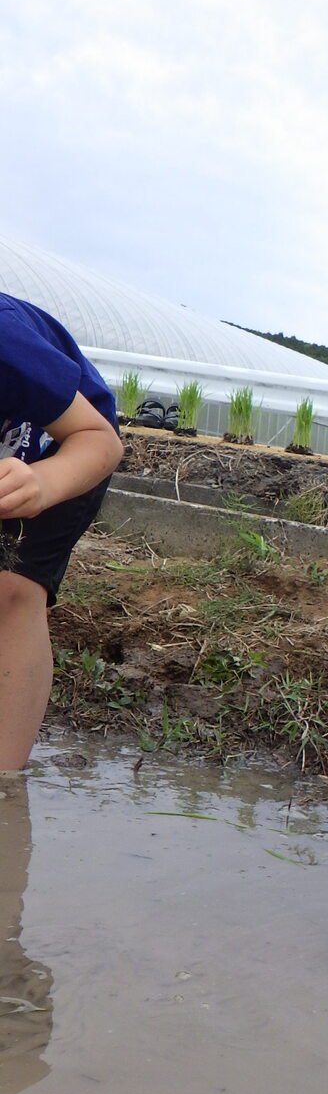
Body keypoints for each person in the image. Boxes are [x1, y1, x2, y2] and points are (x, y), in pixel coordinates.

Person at [0, 294, 124, 769]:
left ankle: (5, 783)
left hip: (62, 451)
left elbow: (99, 442)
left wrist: (42, 483)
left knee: (12, 590)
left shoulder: (6, 343)